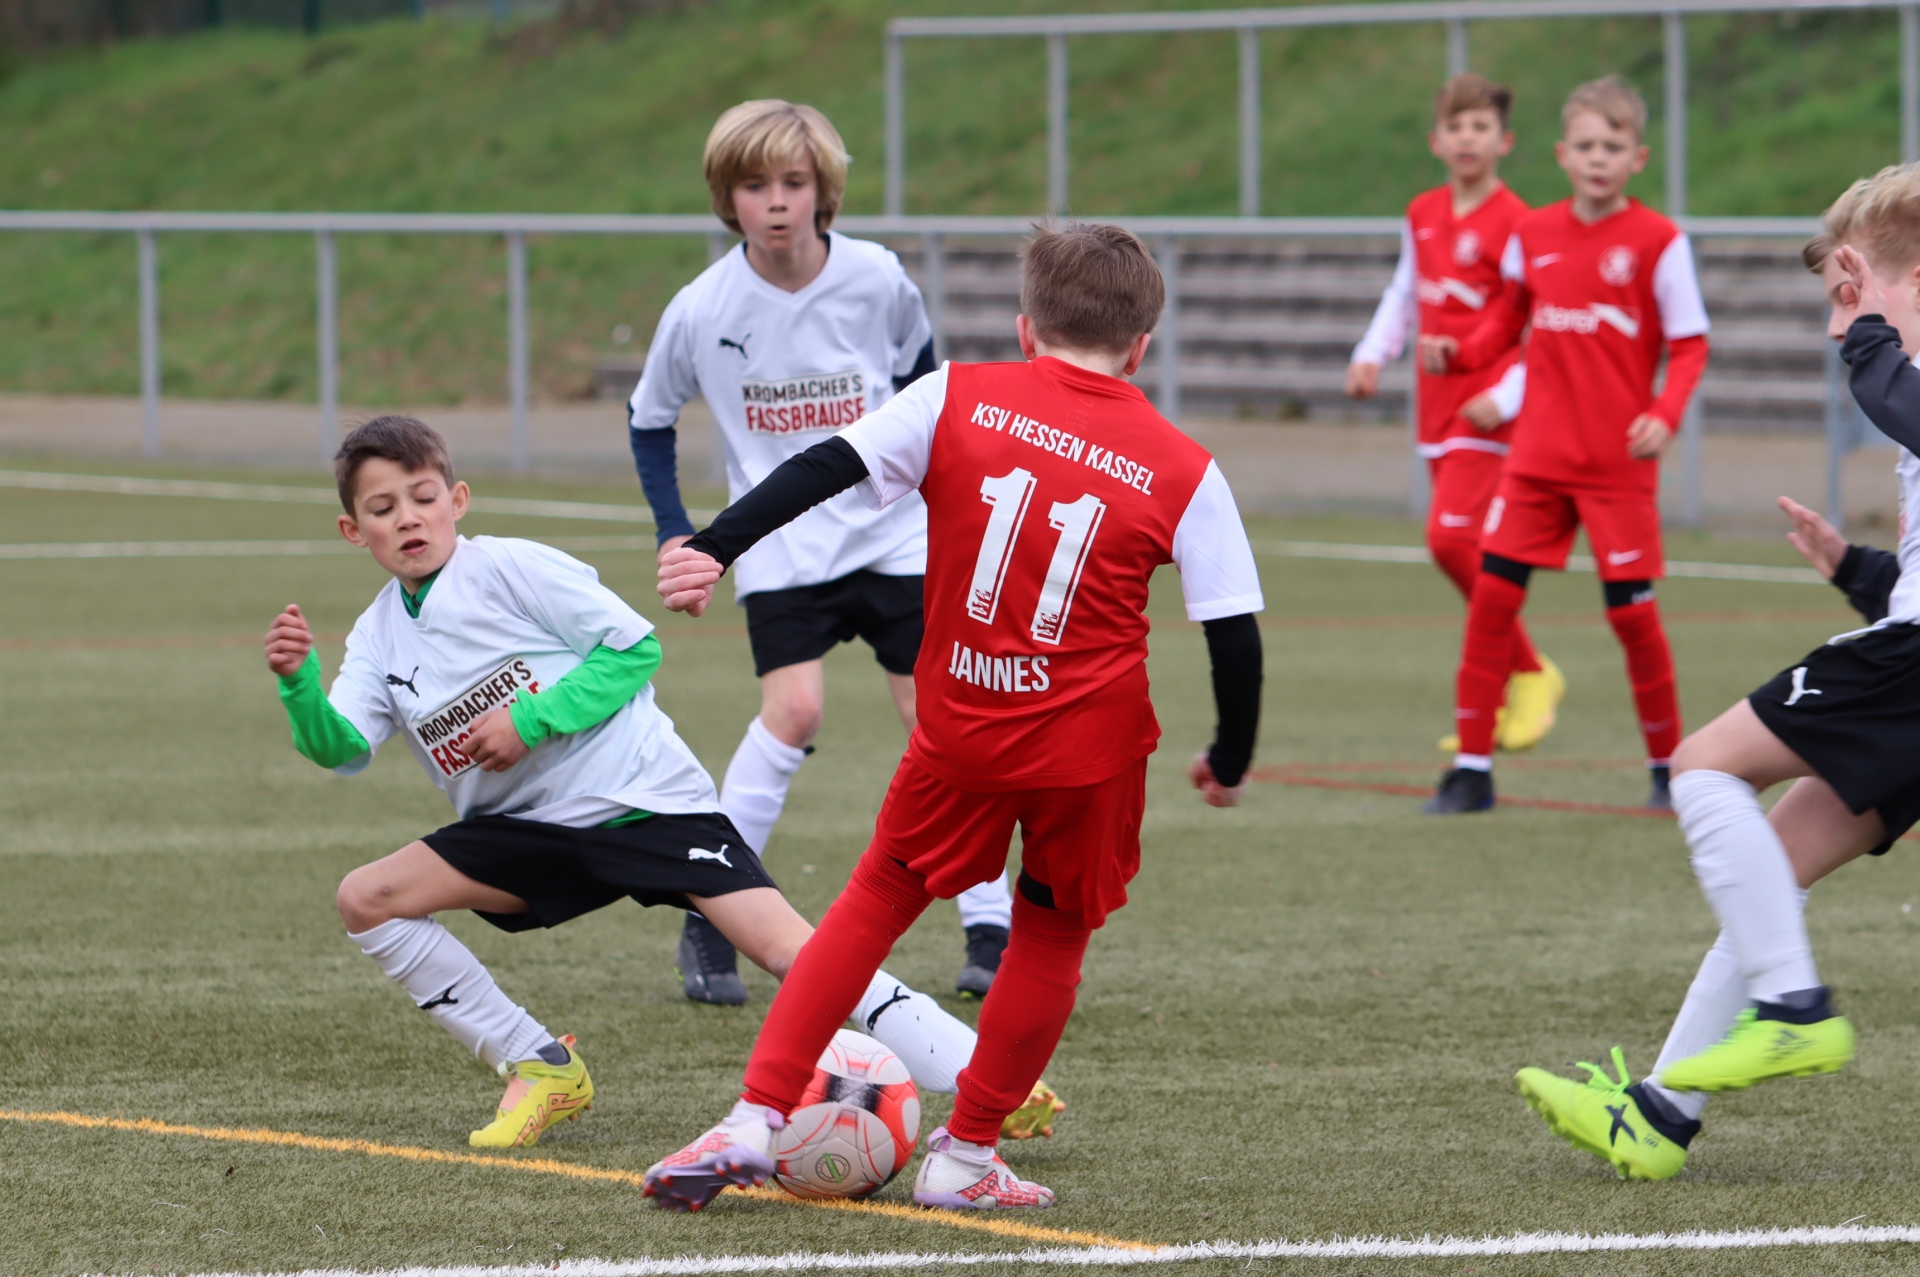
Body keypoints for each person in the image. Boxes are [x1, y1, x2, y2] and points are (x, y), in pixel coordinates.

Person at [638, 223, 1266, 1213]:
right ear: (1142, 346)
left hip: (964, 725)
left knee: (873, 900)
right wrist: (1229, 755)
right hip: (1090, 753)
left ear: (1026, 328)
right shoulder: (1186, 467)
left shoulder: (955, 394)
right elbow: (1234, 633)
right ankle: (966, 1154)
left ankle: (755, 1115)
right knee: (1049, 936)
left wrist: (716, 544)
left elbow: (823, 465)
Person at [264, 415, 1019, 1150]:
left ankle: (981, 1080)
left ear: (456, 500)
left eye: (424, 496)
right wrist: (299, 685)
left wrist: (530, 719)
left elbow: (632, 649)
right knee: (367, 898)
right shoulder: (377, 635)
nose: (408, 517)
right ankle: (540, 1064)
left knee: (791, 951)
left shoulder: (511, 567)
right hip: (526, 831)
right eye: (383, 508)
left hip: (643, 803)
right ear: (353, 530)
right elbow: (344, 748)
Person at [1511, 172, 1916, 1181]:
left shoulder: (1895, 365)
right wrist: (1858, 570)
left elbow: (1889, 394)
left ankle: (1793, 1008)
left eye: (1846, 295)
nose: (1838, 327)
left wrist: (1870, 321)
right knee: (1774, 865)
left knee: (1702, 766)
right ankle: (1657, 1114)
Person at [628, 99, 1016, 1004]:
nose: (775, 201)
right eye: (753, 184)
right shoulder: (702, 307)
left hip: (894, 535)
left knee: (941, 720)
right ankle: (713, 913)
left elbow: (924, 388)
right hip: (779, 546)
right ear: (725, 197)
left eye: (793, 182)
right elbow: (650, 419)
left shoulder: (877, 278)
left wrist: (948, 501)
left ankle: (989, 925)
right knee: (795, 711)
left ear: (823, 190)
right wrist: (674, 528)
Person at [1417, 74, 1710, 814]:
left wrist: (1666, 413)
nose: (1598, 157)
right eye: (1585, 145)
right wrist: (1462, 350)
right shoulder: (1535, 233)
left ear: (1637, 157)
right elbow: (1505, 321)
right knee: (1491, 601)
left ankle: (1668, 770)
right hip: (1536, 463)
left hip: (1616, 466)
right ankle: (1472, 771)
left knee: (1632, 617)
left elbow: (1691, 344)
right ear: (1561, 155)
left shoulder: (1659, 241)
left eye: (1613, 145)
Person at [1346, 72, 1562, 755]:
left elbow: (1540, 321)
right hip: (1436, 408)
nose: (1468, 138)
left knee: (1449, 541)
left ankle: (1532, 672)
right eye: (1456, 126)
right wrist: (1372, 352)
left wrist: (1509, 395)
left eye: (1480, 127)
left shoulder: (1520, 222)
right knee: (1470, 551)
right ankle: (1494, 698)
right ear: (1435, 140)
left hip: (1488, 412)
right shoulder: (1422, 212)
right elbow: (1405, 292)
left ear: (1505, 140)